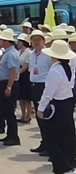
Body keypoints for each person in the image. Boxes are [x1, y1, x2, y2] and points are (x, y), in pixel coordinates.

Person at [37, 40, 76, 174]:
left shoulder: (55, 70)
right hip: (67, 103)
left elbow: (49, 92)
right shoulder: (67, 68)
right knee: (65, 136)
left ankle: (62, 166)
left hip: (58, 105)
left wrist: (41, 109)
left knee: (50, 139)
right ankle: (69, 164)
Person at [28, 30, 54, 156]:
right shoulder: (31, 54)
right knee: (39, 118)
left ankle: (50, 146)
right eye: (34, 40)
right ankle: (44, 142)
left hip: (44, 86)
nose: (36, 42)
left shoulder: (48, 55)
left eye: (39, 39)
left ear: (44, 41)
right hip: (34, 85)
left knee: (46, 116)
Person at [0, 29, 21, 146]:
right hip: (4, 82)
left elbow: (13, 71)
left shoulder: (11, 54)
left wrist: (9, 87)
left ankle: (14, 136)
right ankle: (9, 135)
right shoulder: (6, 52)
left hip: (9, 83)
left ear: (6, 41)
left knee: (9, 111)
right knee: (5, 110)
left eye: (1, 40)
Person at [17, 33, 32, 124]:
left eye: (19, 41)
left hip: (25, 75)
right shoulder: (18, 51)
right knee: (21, 97)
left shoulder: (28, 52)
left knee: (27, 98)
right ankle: (23, 115)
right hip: (19, 73)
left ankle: (28, 115)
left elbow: (26, 66)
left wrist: (17, 73)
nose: (18, 43)